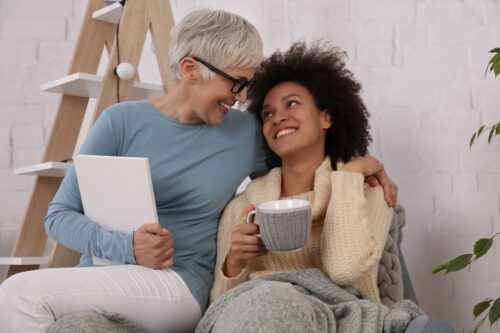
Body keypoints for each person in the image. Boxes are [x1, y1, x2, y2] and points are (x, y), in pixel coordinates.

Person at [0, 9, 397, 333]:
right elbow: (58, 218)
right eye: (237, 84)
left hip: (178, 285)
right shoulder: (119, 122)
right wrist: (126, 246)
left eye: (248, 86)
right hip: (104, 277)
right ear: (190, 68)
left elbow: (300, 161)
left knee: (17, 295)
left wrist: (360, 167)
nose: (242, 99)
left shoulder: (244, 133)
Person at [203, 42, 454, 333]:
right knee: (271, 299)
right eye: (268, 114)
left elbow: (344, 270)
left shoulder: (368, 190)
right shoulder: (242, 207)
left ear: (327, 117)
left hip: (341, 318)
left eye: (292, 104)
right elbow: (220, 310)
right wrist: (235, 262)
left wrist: (349, 176)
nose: (278, 117)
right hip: (262, 314)